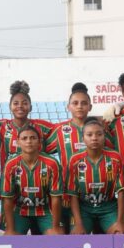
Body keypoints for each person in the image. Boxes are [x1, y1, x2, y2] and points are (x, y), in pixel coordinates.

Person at [67, 119, 124, 235]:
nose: (94, 138)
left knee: (120, 234)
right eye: (89, 135)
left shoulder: (115, 158)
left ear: (104, 136)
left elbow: (121, 191)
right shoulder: (75, 160)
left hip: (108, 208)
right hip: (84, 208)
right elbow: (73, 195)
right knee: (77, 237)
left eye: (99, 134)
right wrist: (79, 224)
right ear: (83, 138)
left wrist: (120, 221)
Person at [45, 83, 93, 233]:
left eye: (84, 103)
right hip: (66, 192)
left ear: (90, 107)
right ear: (68, 107)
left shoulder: (98, 129)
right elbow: (41, 152)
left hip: (92, 193)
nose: (79, 106)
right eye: (75, 103)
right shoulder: (60, 130)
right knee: (64, 234)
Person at [0, 125, 63, 235]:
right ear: (18, 142)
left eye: (33, 138)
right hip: (20, 210)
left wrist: (56, 226)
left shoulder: (52, 163)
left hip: (45, 210)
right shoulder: (11, 164)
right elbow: (7, 199)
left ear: (39, 142)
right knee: (10, 238)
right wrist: (10, 228)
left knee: (57, 236)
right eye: (24, 138)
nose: (29, 141)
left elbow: (56, 197)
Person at [0, 80, 54, 170]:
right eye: (16, 103)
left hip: (38, 178)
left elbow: (62, 132)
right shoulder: (1, 126)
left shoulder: (42, 127)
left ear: (30, 107)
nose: (20, 106)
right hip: (8, 180)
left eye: (25, 103)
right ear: (10, 107)